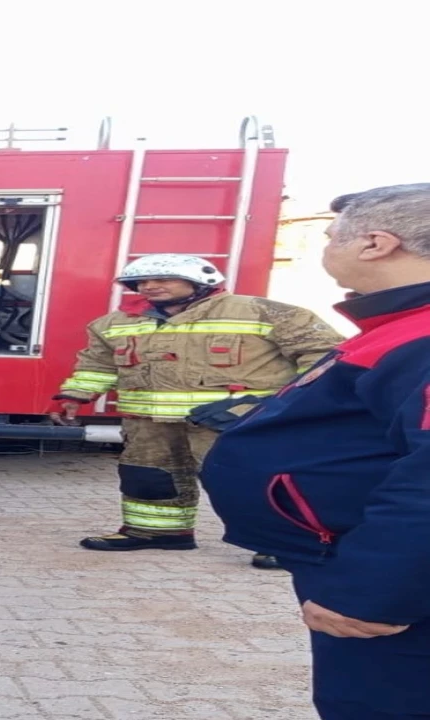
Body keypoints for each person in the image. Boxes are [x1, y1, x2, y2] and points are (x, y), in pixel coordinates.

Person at [200, 183, 430, 720]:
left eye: (331, 237)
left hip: (390, 592)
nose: (326, 249)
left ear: (375, 244)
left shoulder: (419, 337)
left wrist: (372, 592)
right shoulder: (401, 328)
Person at [50, 253, 344, 569]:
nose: (149, 286)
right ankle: (157, 532)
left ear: (201, 281)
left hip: (232, 419)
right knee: (148, 476)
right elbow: (97, 365)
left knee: (246, 481)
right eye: (141, 282)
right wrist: (75, 395)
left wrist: (296, 402)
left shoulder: (264, 312)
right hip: (149, 422)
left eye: (162, 279)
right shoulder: (114, 324)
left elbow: (324, 354)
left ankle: (284, 544)